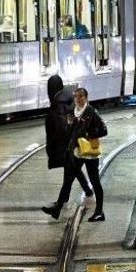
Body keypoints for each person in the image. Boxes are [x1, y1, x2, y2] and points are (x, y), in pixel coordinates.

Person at [44, 87, 106, 222]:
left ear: (86, 98)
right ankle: (57, 209)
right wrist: (69, 124)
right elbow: (70, 133)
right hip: (77, 152)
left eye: (81, 96)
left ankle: (99, 211)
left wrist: (88, 135)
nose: (78, 99)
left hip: (89, 152)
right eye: (76, 97)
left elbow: (103, 130)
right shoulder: (73, 112)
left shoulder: (91, 112)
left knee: (95, 181)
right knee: (68, 181)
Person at [41, 74, 90, 219]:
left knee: (69, 172)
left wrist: (54, 143)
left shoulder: (58, 103)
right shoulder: (69, 98)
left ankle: (59, 206)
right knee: (71, 170)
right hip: (76, 140)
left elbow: (60, 126)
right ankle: (86, 191)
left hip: (66, 143)